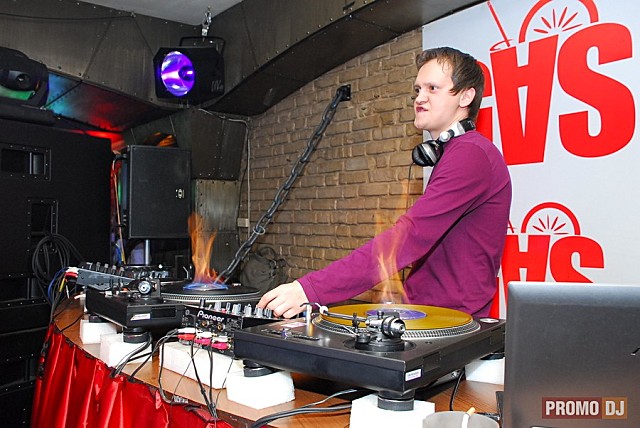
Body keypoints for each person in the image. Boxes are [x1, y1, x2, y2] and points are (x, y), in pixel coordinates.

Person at [257, 47, 512, 319]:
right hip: (426, 314)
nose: (420, 98)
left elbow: (409, 238)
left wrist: (310, 290)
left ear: (466, 96)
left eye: (432, 88)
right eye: (417, 90)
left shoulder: (471, 154)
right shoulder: (457, 153)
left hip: (448, 323)